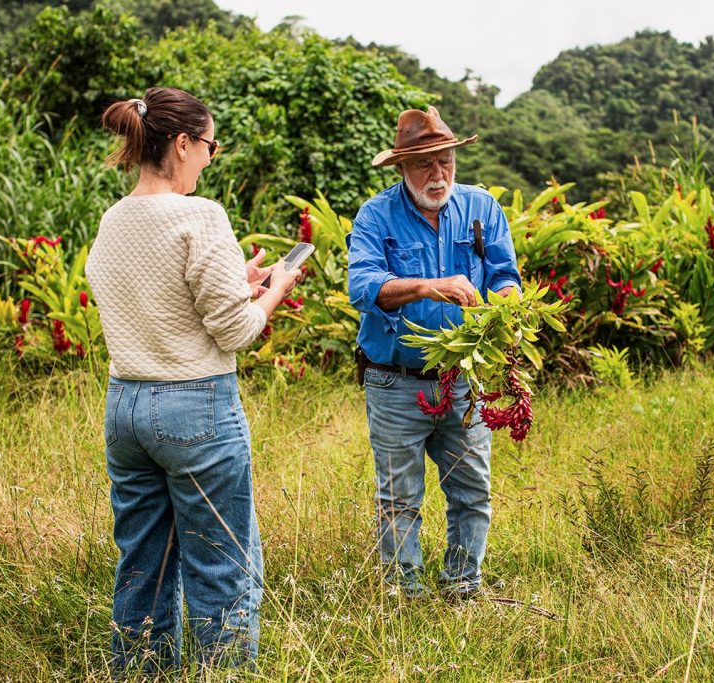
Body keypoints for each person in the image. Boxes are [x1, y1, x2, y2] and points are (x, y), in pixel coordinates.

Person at [86, 87, 302, 675]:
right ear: (182, 144)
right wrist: (274, 289)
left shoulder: (114, 218)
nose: (210, 157)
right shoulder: (199, 215)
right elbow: (234, 330)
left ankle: (138, 673)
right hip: (194, 407)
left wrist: (238, 278)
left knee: (142, 565)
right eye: (208, 146)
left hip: (125, 405)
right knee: (222, 567)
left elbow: (152, 297)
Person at [347, 106, 522, 599]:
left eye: (445, 160)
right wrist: (427, 287)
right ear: (402, 167)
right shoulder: (376, 216)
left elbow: (505, 274)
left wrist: (507, 300)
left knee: (472, 491)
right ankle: (404, 594)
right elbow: (362, 286)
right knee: (399, 498)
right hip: (394, 378)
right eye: (425, 163)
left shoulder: (482, 209)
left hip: (462, 378)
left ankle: (463, 586)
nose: (438, 173)